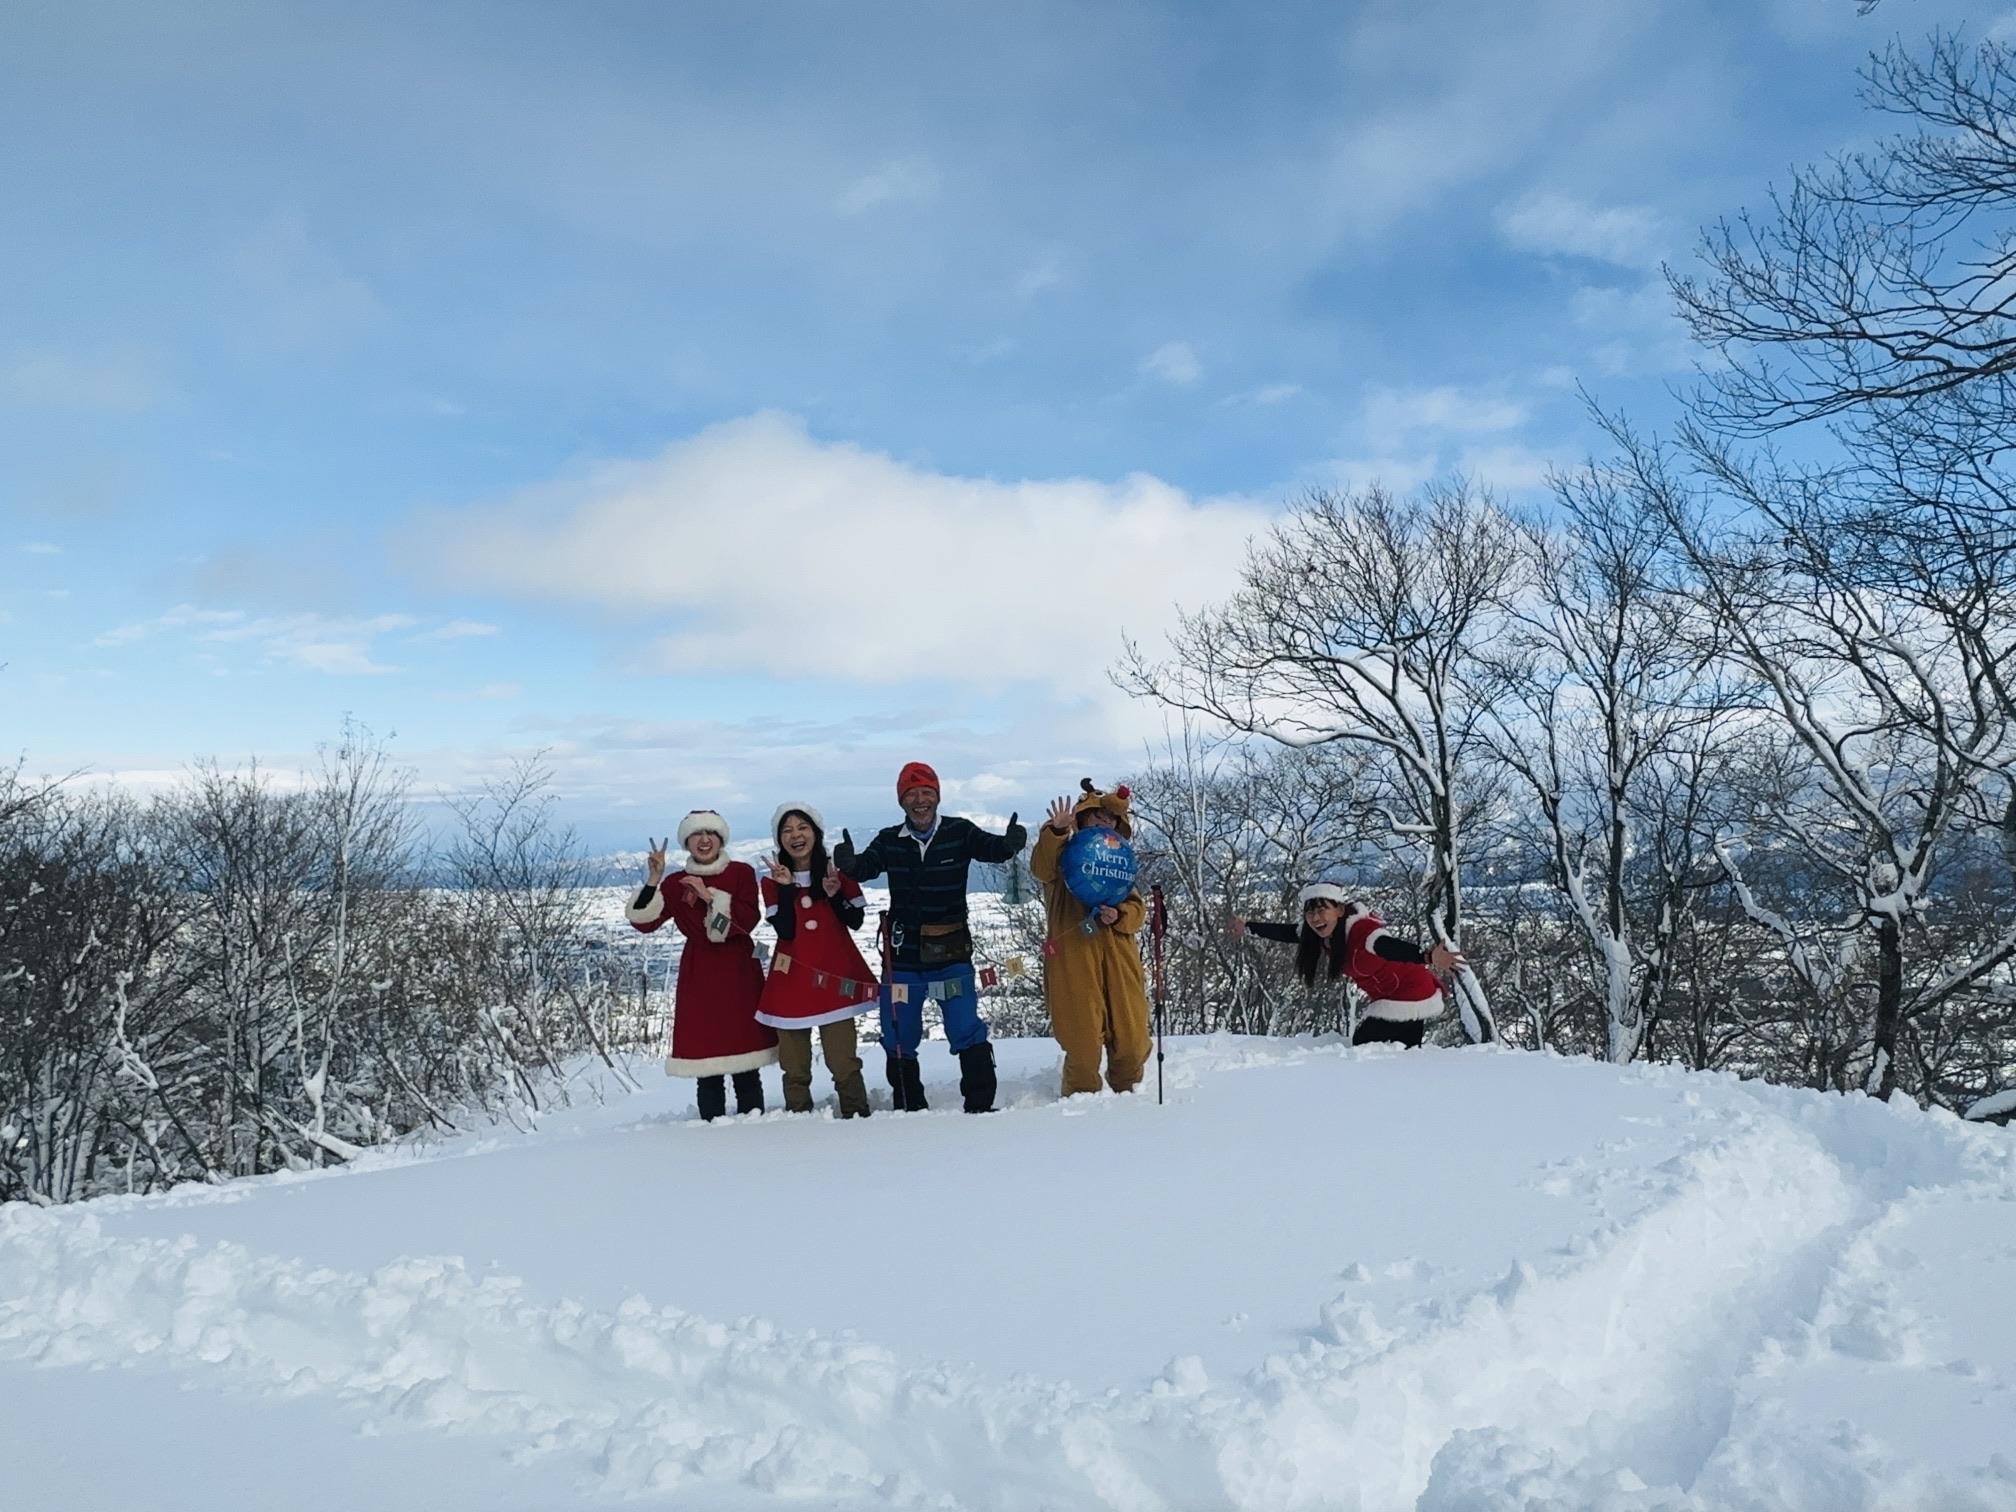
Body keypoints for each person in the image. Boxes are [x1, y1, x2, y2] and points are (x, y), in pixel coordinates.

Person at [833, 760, 1026, 1113]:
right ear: (901, 801)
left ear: (937, 797)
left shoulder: (960, 831)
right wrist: (849, 864)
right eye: (911, 794)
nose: (920, 800)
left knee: (965, 1026)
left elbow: (991, 849)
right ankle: (910, 1107)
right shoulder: (890, 840)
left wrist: (1010, 844)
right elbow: (867, 866)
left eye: (926, 792)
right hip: (902, 955)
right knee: (898, 1035)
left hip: (952, 952)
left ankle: (981, 1107)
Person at [626, 809, 776, 1119]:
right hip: (700, 973)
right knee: (707, 1064)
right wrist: (654, 879)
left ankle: (757, 1126)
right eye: (697, 834)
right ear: (687, 842)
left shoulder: (741, 873)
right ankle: (710, 1130)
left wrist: (711, 898)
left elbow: (747, 920)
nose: (704, 839)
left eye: (711, 833)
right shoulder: (675, 882)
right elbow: (644, 922)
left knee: (745, 1061)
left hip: (739, 971)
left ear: (721, 839)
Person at [1028, 780, 1151, 1096]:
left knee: (1133, 1039)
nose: (1105, 823)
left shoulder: (1118, 864)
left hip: (1119, 954)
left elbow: (1138, 909)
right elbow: (1040, 867)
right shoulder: (1061, 860)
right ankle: (1081, 1103)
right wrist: (1055, 832)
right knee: (1082, 1041)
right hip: (1073, 955)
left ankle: (1129, 1096)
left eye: (1111, 819)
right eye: (1098, 817)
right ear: (1081, 819)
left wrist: (1120, 914)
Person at [1230, 884, 1464, 1047]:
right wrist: (1249, 927)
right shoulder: (1321, 935)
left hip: (1411, 993)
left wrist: (1427, 957)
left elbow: (1389, 946)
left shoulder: (1362, 933)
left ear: (1340, 910)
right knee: (1398, 1054)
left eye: (1322, 909)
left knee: (1365, 1045)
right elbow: (1288, 932)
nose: (1315, 917)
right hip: (1388, 996)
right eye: (1310, 912)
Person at [755, 802, 875, 1118]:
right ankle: (799, 1119)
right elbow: (786, 930)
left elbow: (856, 920)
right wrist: (784, 890)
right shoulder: (771, 880)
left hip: (835, 979)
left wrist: (835, 894)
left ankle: (857, 1114)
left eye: (802, 827)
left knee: (843, 1060)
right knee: (794, 1064)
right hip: (791, 981)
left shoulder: (837, 871)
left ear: (816, 832)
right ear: (779, 839)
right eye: (787, 830)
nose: (796, 835)